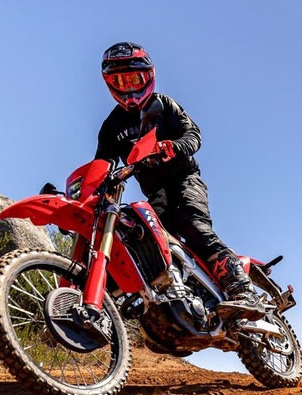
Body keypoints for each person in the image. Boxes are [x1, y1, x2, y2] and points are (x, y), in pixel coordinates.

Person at [95, 41, 265, 321]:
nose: (128, 87)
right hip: (155, 193)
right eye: (120, 81)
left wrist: (174, 146)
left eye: (134, 79)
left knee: (192, 223)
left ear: (148, 76)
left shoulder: (164, 106)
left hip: (184, 179)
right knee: (143, 240)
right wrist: (90, 192)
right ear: (109, 84)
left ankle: (242, 291)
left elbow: (193, 134)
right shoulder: (110, 128)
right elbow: (101, 166)